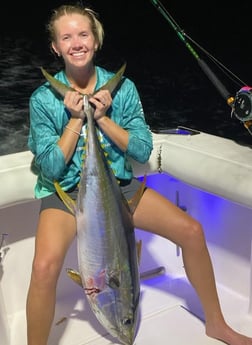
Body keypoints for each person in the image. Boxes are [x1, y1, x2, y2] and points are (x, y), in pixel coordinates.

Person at [26, 3, 252, 345]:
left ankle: (217, 324)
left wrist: (101, 118)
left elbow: (142, 150)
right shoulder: (44, 98)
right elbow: (50, 168)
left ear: (96, 40)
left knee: (191, 231)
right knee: (43, 268)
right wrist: (76, 118)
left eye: (83, 34)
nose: (76, 43)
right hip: (66, 193)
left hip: (119, 188)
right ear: (56, 47)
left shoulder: (123, 88)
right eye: (66, 37)